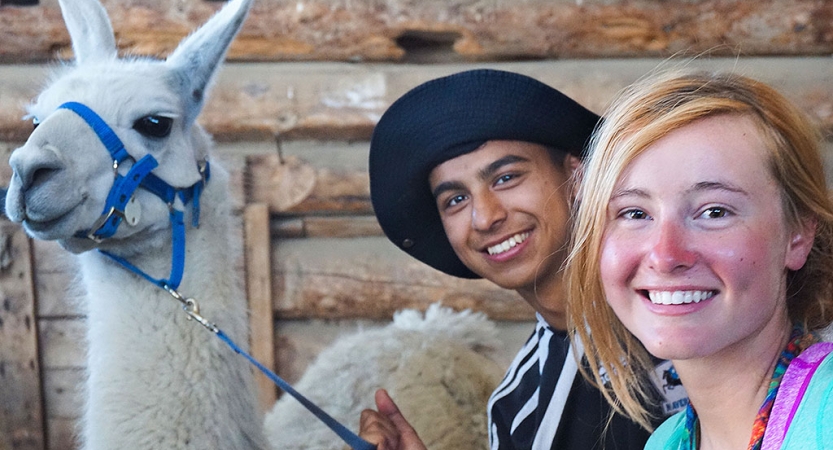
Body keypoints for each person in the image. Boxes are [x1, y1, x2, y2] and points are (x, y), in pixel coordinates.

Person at [362, 68, 686, 450]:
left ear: (577, 177)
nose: (485, 217)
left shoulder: (679, 306)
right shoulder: (519, 405)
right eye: (456, 200)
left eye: (506, 178)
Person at [566, 68, 833, 449]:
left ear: (798, 235)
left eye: (714, 212)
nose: (665, 255)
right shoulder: (666, 442)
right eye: (635, 213)